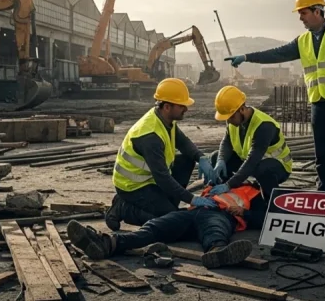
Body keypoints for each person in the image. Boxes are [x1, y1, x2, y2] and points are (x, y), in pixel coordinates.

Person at [225, 0, 325, 194]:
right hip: (319, 104)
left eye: (304, 13)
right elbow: (277, 54)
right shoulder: (303, 41)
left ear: (317, 11)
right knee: (322, 156)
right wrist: (247, 57)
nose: (301, 18)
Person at [104, 78, 219, 231]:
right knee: (169, 222)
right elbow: (162, 177)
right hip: (133, 186)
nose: (186, 109)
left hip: (151, 180)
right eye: (181, 106)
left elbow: (183, 142)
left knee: (187, 159)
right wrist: (192, 199)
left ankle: (167, 204)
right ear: (166, 107)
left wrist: (200, 157)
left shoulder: (165, 119)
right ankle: (122, 208)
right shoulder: (150, 136)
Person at [67, 183, 260, 268]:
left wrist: (245, 213)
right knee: (154, 227)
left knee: (214, 230)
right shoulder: (216, 184)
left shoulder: (253, 192)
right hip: (190, 213)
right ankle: (108, 243)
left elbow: (264, 217)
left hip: (220, 214)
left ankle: (218, 252)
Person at [207, 85, 293, 228]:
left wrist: (229, 183)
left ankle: (268, 208)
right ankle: (232, 199)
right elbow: (226, 143)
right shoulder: (235, 120)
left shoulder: (263, 125)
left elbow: (253, 160)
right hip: (252, 163)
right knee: (216, 156)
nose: (228, 121)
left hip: (276, 166)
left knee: (261, 169)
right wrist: (220, 160)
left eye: (230, 117)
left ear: (242, 109)